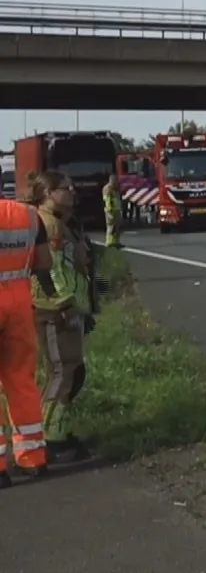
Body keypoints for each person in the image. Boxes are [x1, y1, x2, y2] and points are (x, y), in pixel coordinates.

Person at [27, 171, 97, 463]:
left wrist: (87, 307)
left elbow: (80, 267)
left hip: (71, 308)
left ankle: (58, 430)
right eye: (65, 188)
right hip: (56, 310)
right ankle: (49, 437)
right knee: (62, 371)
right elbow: (51, 270)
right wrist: (64, 304)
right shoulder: (48, 224)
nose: (72, 192)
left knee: (73, 372)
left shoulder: (65, 223)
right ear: (47, 193)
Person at [0, 192, 52, 485]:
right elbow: (44, 262)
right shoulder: (29, 215)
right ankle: (32, 457)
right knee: (21, 379)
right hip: (19, 303)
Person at [102, 173, 123, 249]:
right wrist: (110, 208)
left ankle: (116, 241)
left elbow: (118, 198)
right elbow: (107, 199)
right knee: (111, 226)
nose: (116, 182)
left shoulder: (116, 188)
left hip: (117, 209)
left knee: (117, 226)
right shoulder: (107, 188)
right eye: (114, 180)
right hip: (110, 210)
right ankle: (109, 242)